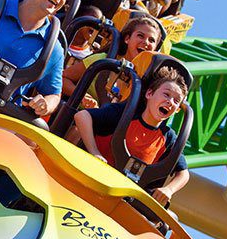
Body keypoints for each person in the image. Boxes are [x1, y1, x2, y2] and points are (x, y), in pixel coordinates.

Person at [74, 66, 190, 206]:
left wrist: (169, 190)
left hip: (123, 199)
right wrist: (94, 152)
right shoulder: (125, 114)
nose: (170, 102)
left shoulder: (168, 137)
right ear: (149, 94)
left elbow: (184, 173)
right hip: (91, 179)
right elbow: (82, 116)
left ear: (177, 110)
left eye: (176, 101)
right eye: (166, 95)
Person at [63, 16, 162, 108]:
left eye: (151, 40)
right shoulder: (102, 60)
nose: (146, 42)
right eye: (140, 36)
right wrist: (83, 97)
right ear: (127, 39)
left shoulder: (144, 82)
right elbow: (62, 79)